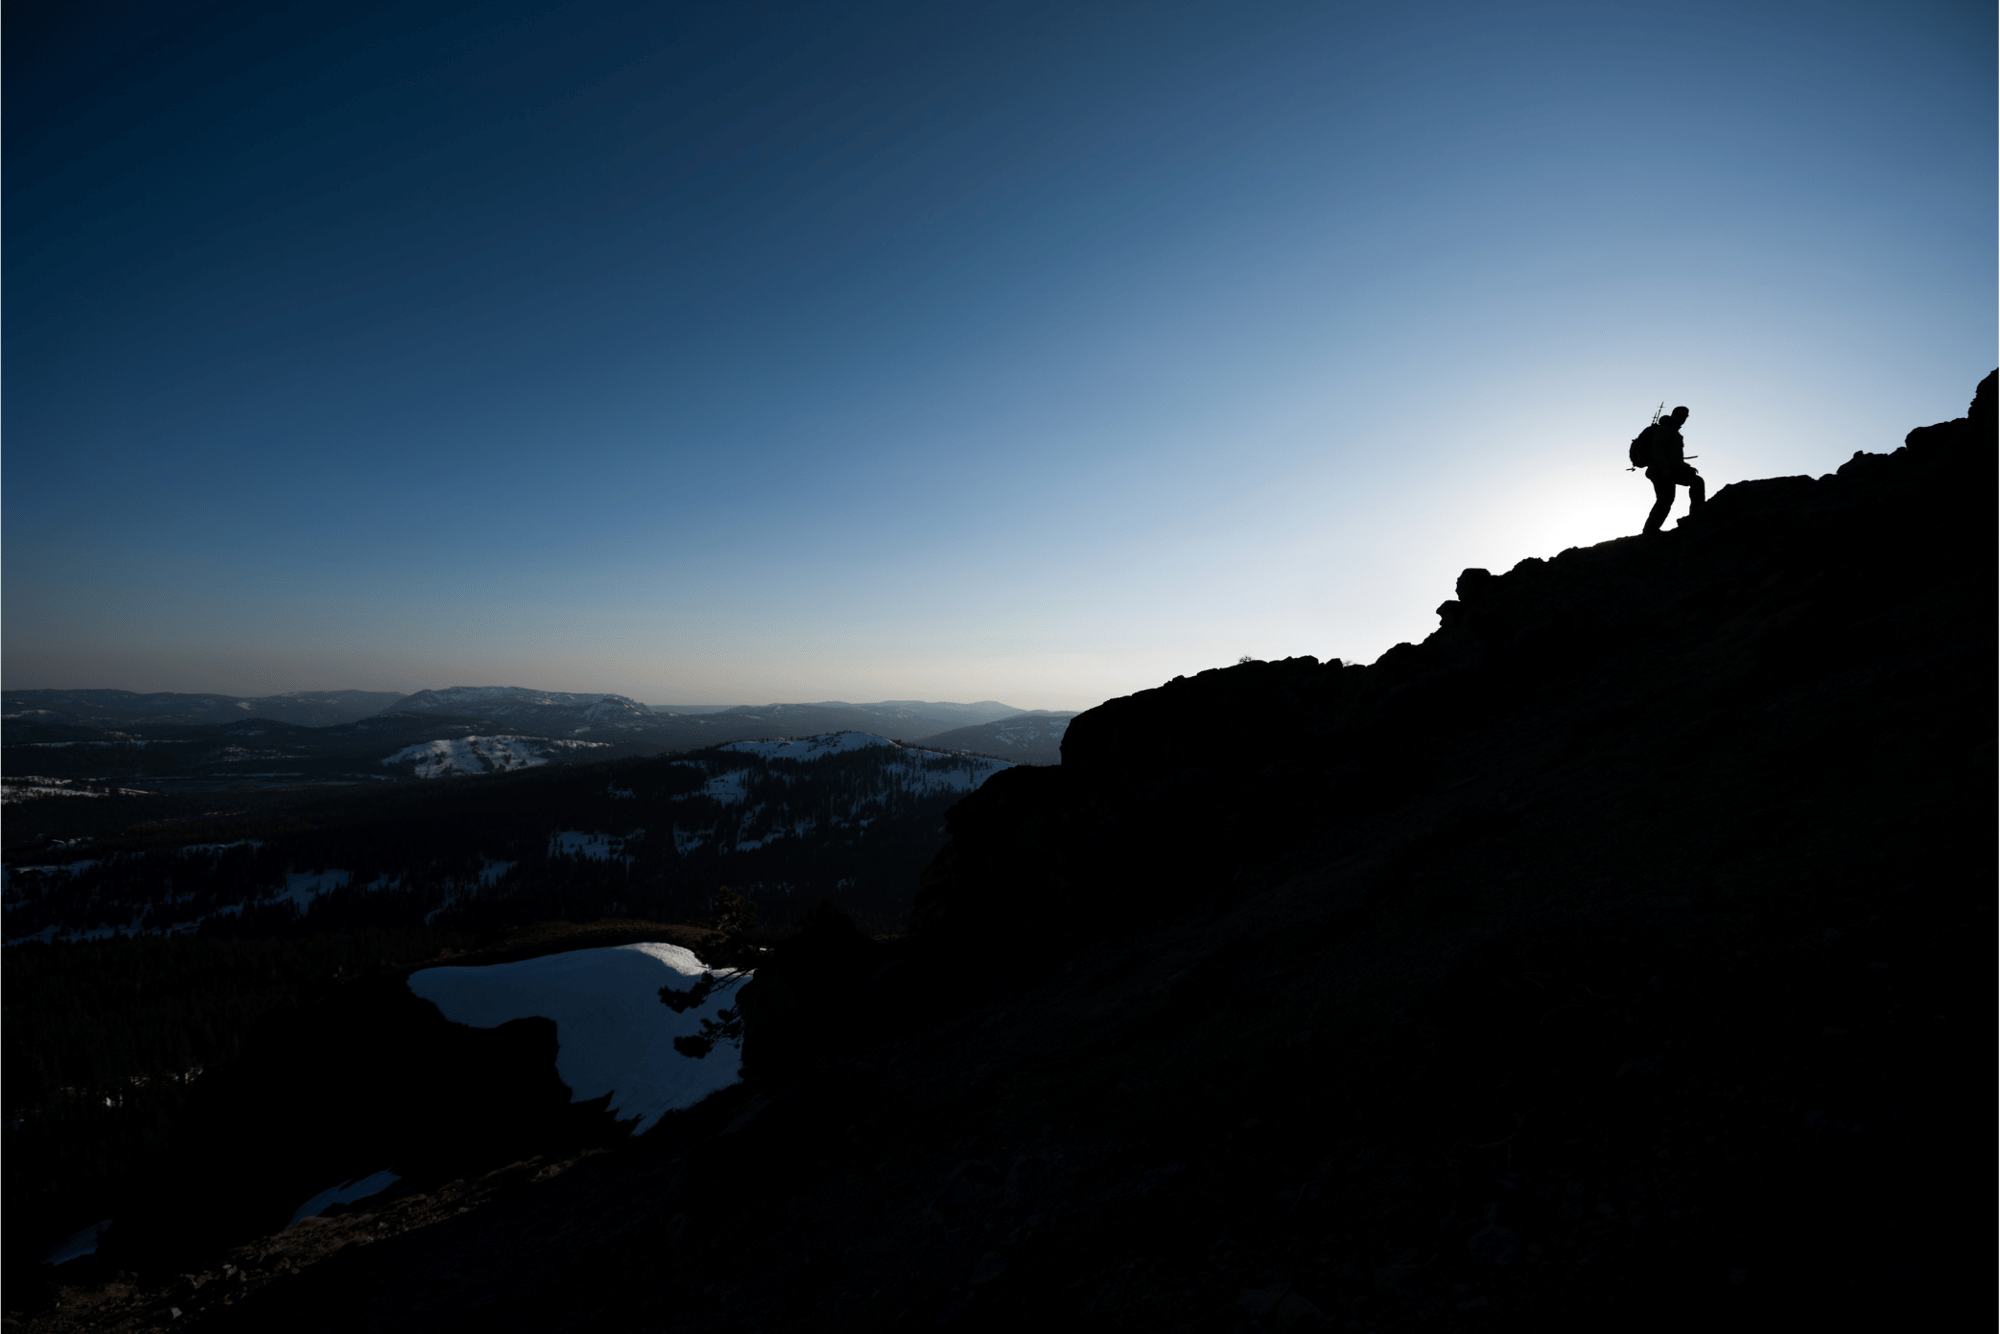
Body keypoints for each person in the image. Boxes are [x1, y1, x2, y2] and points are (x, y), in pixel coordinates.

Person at [1643, 405, 1703, 534]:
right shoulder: (1665, 429)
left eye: (1685, 417)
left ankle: (1650, 530)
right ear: (1673, 415)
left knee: (1667, 498)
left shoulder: (1674, 432)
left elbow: (1675, 458)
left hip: (1667, 470)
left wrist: (1686, 468)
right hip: (1660, 471)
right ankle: (1650, 531)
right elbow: (1656, 449)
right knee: (1666, 499)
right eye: (1680, 415)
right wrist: (1664, 467)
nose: (1682, 419)